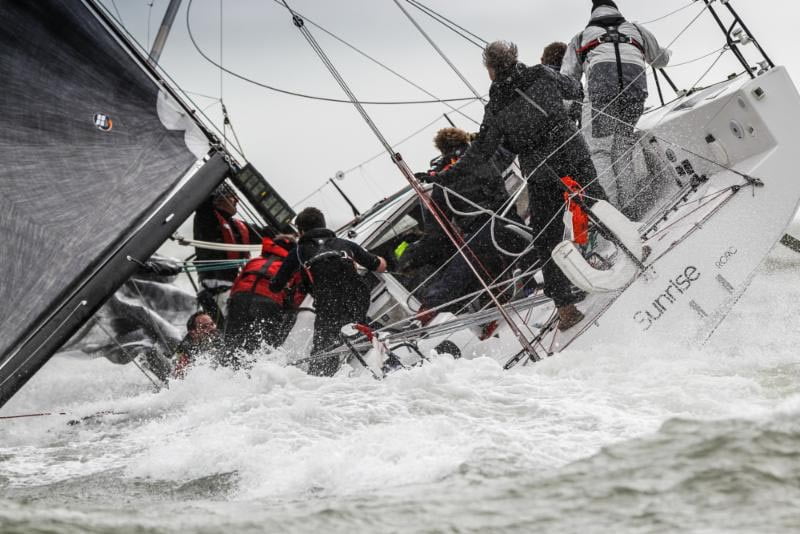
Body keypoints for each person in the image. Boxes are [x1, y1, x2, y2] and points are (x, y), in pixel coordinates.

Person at [434, 40, 608, 331]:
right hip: (569, 147)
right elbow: (576, 90)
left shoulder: (496, 107)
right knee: (596, 201)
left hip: (540, 168)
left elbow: (482, 153)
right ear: (514, 58)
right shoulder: (541, 74)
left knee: (545, 238)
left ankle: (565, 308)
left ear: (490, 70)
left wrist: (444, 177)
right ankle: (633, 248)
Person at [561, 0, 671, 217]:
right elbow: (661, 60)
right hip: (635, 92)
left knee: (600, 152)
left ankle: (614, 214)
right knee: (622, 148)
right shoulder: (637, 29)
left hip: (601, 94)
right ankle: (631, 206)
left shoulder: (581, 37)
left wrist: (565, 109)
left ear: (592, 14)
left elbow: (567, 80)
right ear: (617, 10)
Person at [412, 127, 527, 315]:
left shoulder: (444, 180)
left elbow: (437, 227)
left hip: (482, 233)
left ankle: (433, 307)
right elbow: (509, 149)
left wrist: (419, 249)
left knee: (463, 263)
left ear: (443, 152)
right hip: (510, 220)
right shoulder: (486, 156)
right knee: (522, 248)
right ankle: (531, 279)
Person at [269, 207, 387, 377]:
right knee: (354, 330)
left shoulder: (298, 252)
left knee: (323, 357)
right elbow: (380, 266)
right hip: (358, 300)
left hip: (329, 307)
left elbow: (275, 286)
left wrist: (287, 283)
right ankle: (372, 354)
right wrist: (380, 260)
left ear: (301, 231)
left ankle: (324, 383)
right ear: (323, 224)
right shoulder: (346, 244)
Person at [193, 184, 264, 326]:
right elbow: (203, 200)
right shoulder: (206, 218)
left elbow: (266, 234)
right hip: (214, 291)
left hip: (235, 290)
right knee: (224, 331)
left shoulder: (239, 226)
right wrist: (219, 178)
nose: (237, 200)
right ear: (219, 199)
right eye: (232, 196)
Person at [223, 235, 305, 360]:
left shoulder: (254, 262)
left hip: (239, 299)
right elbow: (297, 297)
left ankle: (224, 370)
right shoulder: (290, 266)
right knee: (263, 349)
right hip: (268, 303)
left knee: (231, 345)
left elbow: (235, 286)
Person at [172, 311, 224, 378]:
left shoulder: (217, 338)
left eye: (212, 324)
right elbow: (178, 376)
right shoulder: (184, 351)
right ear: (193, 333)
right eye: (204, 327)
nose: (212, 328)